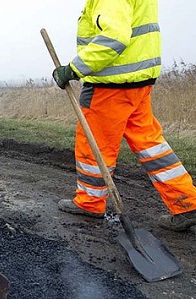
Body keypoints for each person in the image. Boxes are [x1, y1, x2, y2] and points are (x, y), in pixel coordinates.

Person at [52, 0, 196, 232]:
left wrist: (74, 69)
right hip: (138, 81)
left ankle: (90, 203)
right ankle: (186, 201)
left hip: (111, 86)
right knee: (151, 144)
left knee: (94, 145)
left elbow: (114, 38)